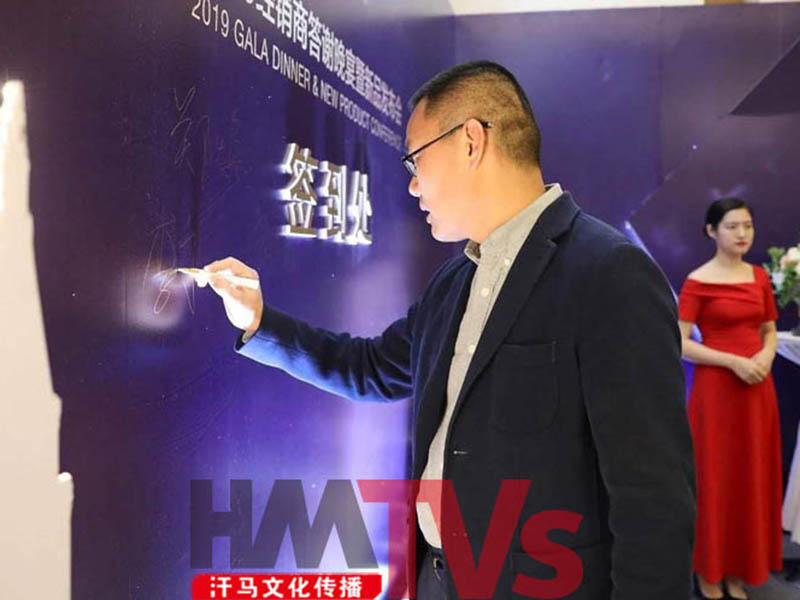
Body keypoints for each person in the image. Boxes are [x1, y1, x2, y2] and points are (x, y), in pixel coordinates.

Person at [205, 61, 695, 599]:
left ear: (470, 141)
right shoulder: (454, 281)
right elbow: (371, 368)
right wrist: (258, 321)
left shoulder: (608, 273)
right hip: (438, 579)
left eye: (415, 158)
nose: (412, 183)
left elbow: (653, 498)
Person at [677, 198, 782, 600]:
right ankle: (709, 569)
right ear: (711, 231)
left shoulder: (759, 277)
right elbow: (680, 342)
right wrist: (733, 362)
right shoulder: (698, 280)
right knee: (715, 479)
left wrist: (765, 356)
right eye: (732, 226)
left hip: (757, 391)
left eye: (748, 226)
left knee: (750, 478)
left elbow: (769, 329)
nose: (742, 234)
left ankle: (739, 568)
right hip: (716, 394)